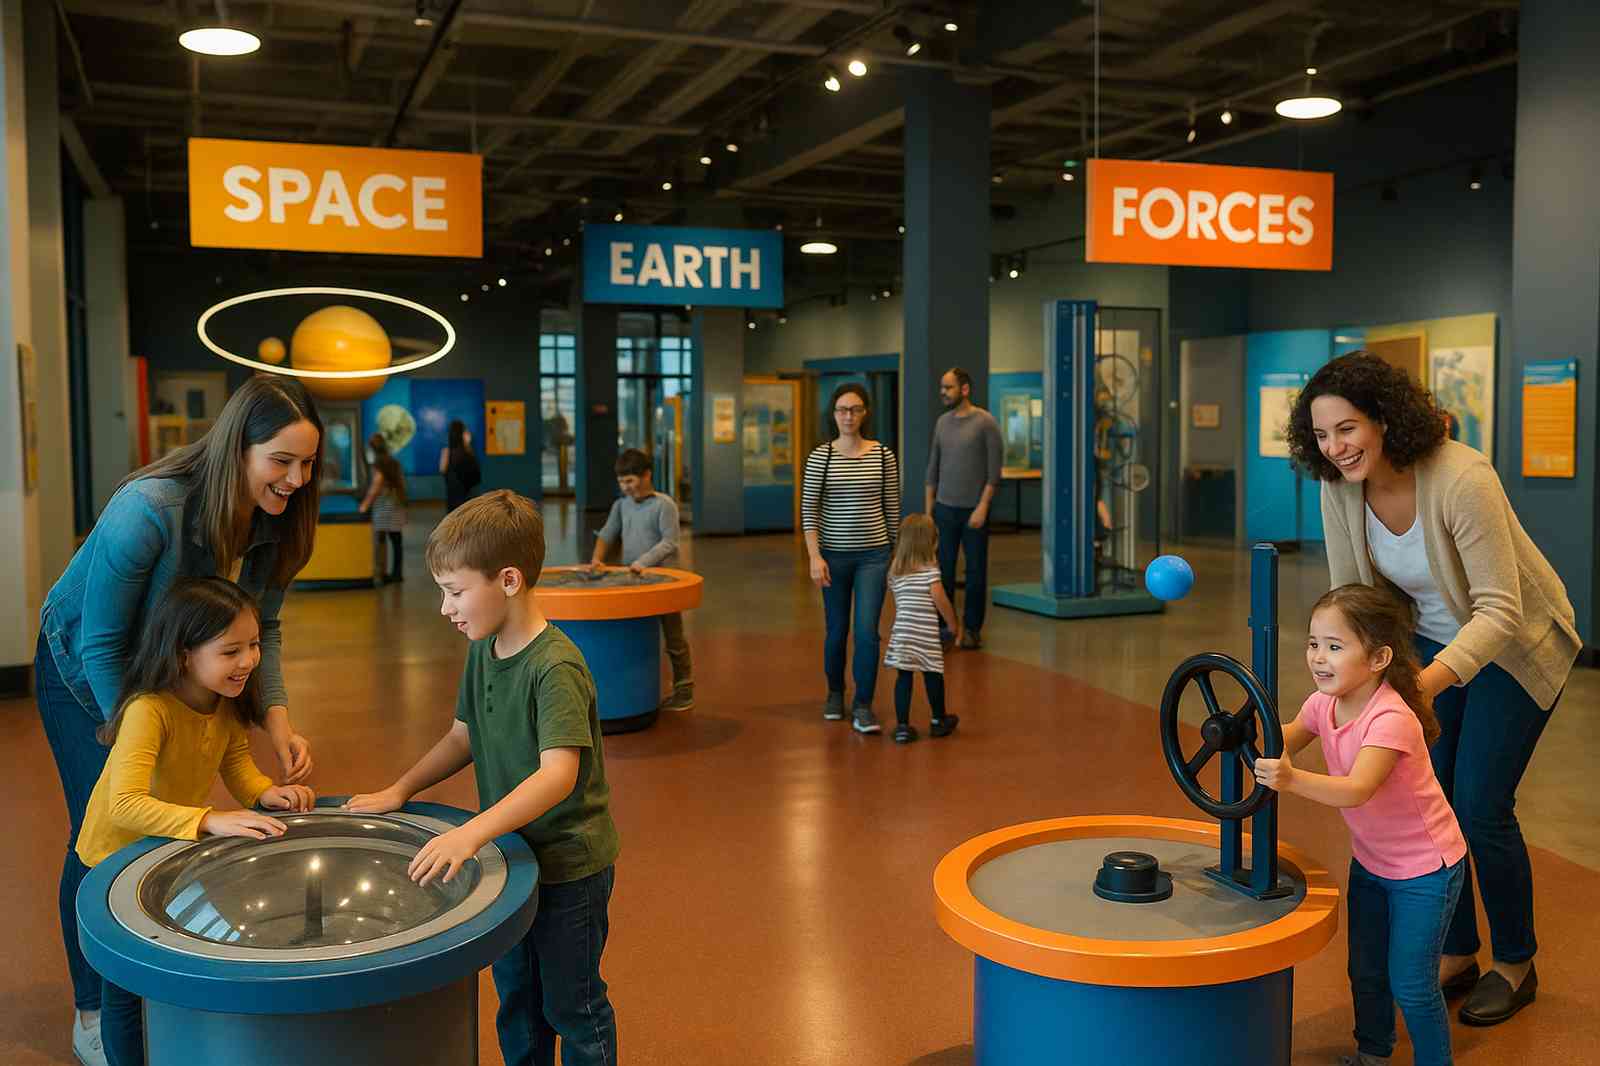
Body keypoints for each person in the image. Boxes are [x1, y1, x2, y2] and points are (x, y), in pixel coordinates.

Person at [1289, 352, 1579, 1026]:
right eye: (1323, 436)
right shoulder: (1340, 487)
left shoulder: (1461, 478)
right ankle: (1458, 952)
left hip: (1514, 649)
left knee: (1479, 805)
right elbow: (1356, 601)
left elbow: (1501, 612)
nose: (1337, 448)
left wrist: (1415, 687)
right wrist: (1348, 676)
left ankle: (1515, 960)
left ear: (1386, 419)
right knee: (1427, 800)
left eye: (1349, 429)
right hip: (1427, 651)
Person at [37, 375, 318, 1066]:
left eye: (308, 463)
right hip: (85, 670)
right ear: (239, 448)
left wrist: (276, 722)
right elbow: (103, 642)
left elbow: (266, 629)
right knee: (102, 832)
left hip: (166, 677)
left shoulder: (279, 523)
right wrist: (139, 737)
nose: (295, 478)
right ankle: (94, 1009)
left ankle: (148, 982)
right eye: (280, 460)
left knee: (159, 820)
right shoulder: (150, 508)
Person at [348, 490, 619, 1066]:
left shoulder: (556, 667)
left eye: (455, 591)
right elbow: (462, 736)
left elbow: (556, 777)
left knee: (573, 1005)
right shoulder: (484, 648)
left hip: (570, 868)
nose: (446, 608)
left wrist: (470, 833)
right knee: (517, 999)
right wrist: (401, 789)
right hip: (514, 860)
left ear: (510, 581)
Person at [73, 578, 317, 1066]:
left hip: (160, 856)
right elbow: (124, 804)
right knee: (123, 994)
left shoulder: (222, 701)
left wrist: (265, 791)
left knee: (159, 982)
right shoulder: (149, 709)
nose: (249, 661)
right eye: (231, 651)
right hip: (112, 862)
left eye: (252, 646)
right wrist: (211, 820)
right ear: (184, 654)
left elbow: (236, 763)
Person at [1254, 584, 1467, 1066]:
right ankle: (1373, 1053)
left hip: (1426, 871)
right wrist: (1246, 731)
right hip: (1372, 863)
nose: (1319, 658)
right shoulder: (1322, 704)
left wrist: (1288, 778)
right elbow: (1284, 736)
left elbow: (1356, 788)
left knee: (1411, 985)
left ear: (1378, 658)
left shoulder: (1390, 718)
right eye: (1313, 644)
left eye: (1334, 646)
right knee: (1366, 970)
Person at [802, 383, 902, 734]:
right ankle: (834, 693)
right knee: (836, 631)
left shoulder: (883, 455)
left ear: (865, 413)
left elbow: (892, 508)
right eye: (843, 410)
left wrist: (894, 555)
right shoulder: (821, 457)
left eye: (855, 409)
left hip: (874, 557)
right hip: (833, 557)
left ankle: (863, 705)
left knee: (867, 633)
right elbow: (808, 512)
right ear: (834, 414)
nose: (849, 416)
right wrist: (815, 556)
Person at [590, 448, 692, 712]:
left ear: (647, 475)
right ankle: (636, 688)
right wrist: (597, 559)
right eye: (622, 482)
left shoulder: (664, 505)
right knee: (635, 635)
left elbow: (670, 542)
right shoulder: (621, 505)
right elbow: (607, 533)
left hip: (662, 581)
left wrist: (642, 563)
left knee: (674, 636)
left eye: (631, 481)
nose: (626, 488)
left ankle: (684, 687)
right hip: (633, 582)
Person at [925, 367, 1003, 649]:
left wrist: (983, 506)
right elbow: (932, 469)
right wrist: (928, 513)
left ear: (965, 389)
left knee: (975, 573)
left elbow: (994, 472)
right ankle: (946, 626)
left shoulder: (986, 423)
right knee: (941, 571)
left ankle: (971, 629)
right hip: (944, 510)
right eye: (942, 387)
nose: (943, 392)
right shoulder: (942, 423)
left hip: (973, 512)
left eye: (948, 387)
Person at [883, 514, 961, 744]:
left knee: (903, 677)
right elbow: (940, 599)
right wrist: (952, 624)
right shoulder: (931, 572)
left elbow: (899, 601)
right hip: (926, 633)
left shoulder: (895, 573)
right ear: (931, 543)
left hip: (903, 633)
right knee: (933, 675)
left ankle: (903, 726)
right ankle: (938, 720)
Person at [359, 433, 408, 584]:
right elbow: (402, 483)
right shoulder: (394, 462)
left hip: (383, 507)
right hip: (396, 504)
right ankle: (397, 573)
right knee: (396, 541)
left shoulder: (378, 465)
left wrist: (364, 505)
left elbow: (375, 487)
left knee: (380, 541)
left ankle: (381, 573)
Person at [440, 419, 482, 513]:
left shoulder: (446, 452)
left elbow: (443, 471)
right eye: (466, 431)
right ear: (462, 434)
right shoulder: (468, 454)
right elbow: (477, 477)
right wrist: (468, 446)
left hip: (452, 500)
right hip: (466, 499)